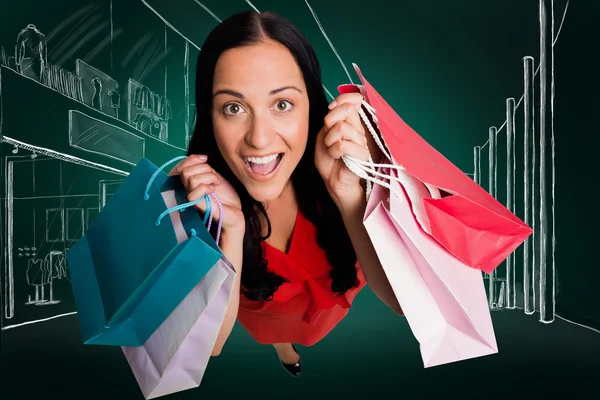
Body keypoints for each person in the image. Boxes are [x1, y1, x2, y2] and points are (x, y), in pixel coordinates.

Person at [170, 10, 403, 377]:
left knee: (314, 330)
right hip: (266, 319)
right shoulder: (195, 202)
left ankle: (295, 345)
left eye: (282, 104)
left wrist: (347, 194)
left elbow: (403, 303)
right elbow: (206, 346)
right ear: (209, 116)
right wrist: (231, 230)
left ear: (311, 106)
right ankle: (283, 349)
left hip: (328, 310)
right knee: (277, 334)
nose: (259, 138)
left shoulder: (345, 169)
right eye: (233, 108)